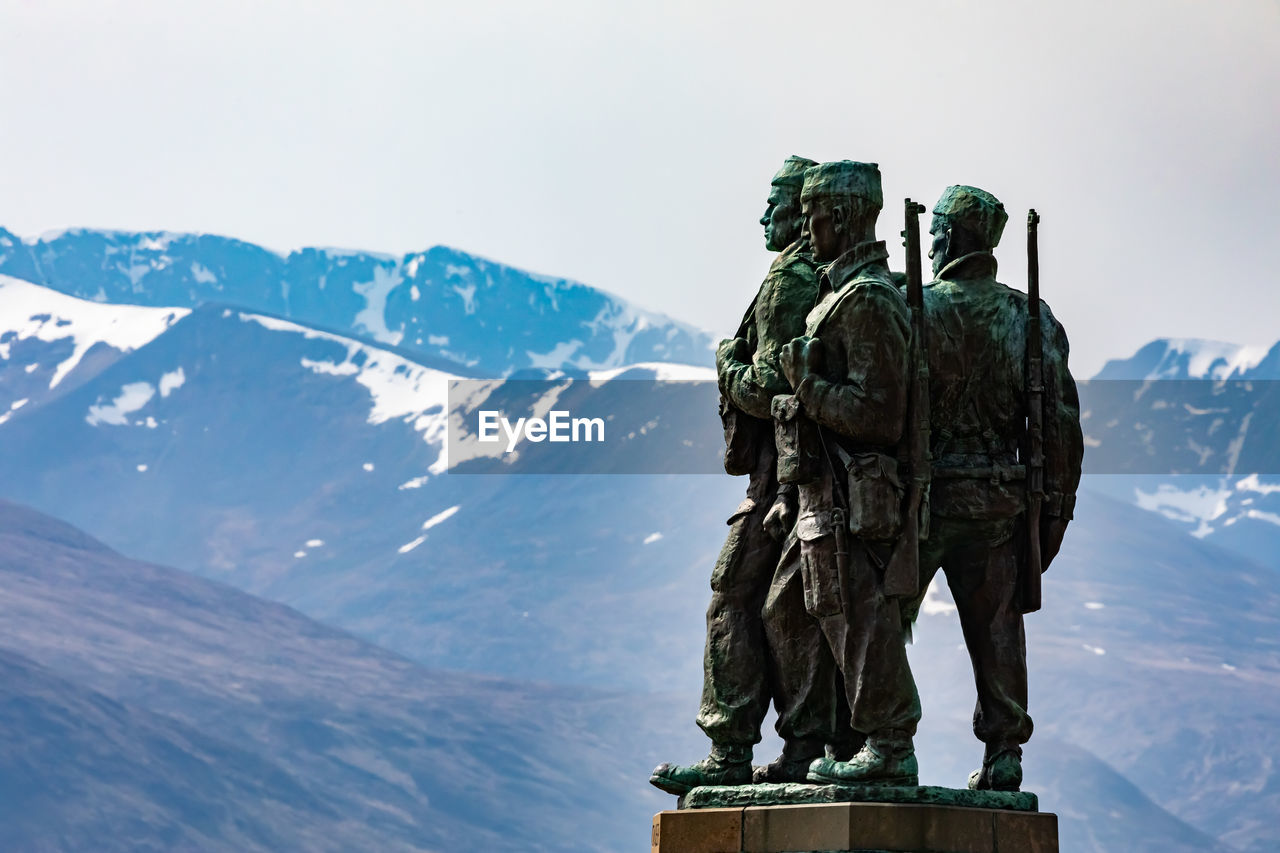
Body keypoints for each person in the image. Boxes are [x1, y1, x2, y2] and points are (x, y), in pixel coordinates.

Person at [650, 156, 845, 794]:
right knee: (793, 607)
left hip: (784, 477)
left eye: (775, 204)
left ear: (801, 213)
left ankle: (736, 748)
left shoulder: (791, 279)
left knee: (737, 596)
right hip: (809, 472)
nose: (764, 216)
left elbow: (774, 381)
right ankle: (799, 743)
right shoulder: (829, 277)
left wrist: (728, 367)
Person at [903, 185, 1083, 791]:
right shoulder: (1028, 315)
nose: (927, 246)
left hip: (925, 501)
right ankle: (1004, 751)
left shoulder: (915, 309)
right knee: (998, 627)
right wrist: (1055, 511)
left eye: (933, 234)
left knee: (881, 617)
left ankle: (880, 738)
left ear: (952, 236)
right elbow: (1058, 424)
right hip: (1000, 501)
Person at [775, 160, 922, 787]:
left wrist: (805, 383)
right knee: (789, 612)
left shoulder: (868, 302)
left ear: (839, 216)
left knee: (860, 615)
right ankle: (813, 742)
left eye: (811, 216)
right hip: (818, 491)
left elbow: (880, 415)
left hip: (851, 493)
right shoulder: (839, 295)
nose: (805, 230)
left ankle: (890, 742)